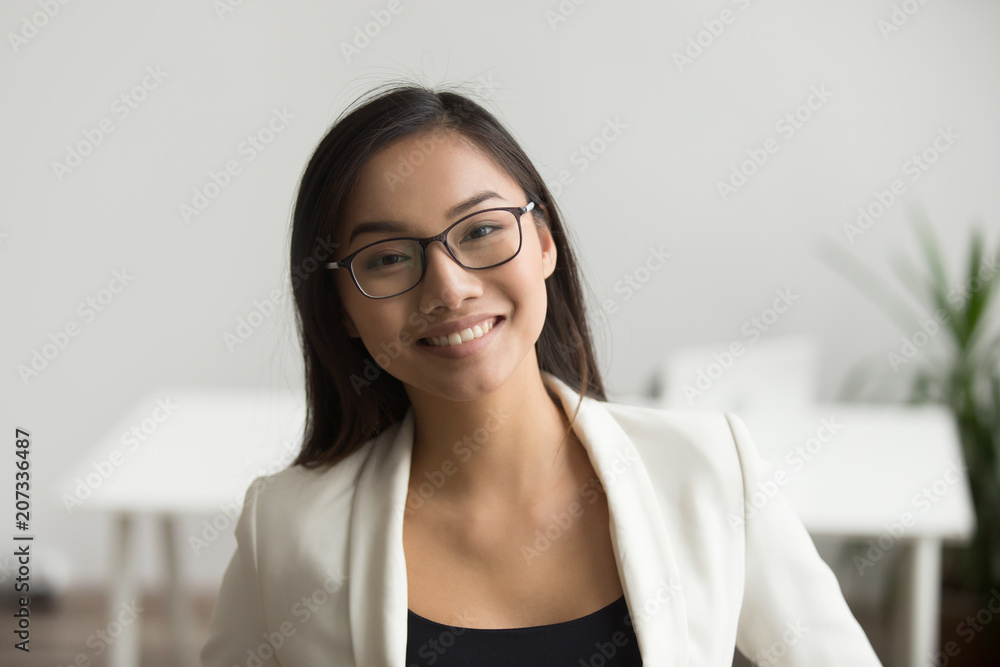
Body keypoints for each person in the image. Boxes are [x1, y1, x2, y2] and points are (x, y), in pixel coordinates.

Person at [200, 82, 883, 666]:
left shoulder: (708, 471)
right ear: (343, 308)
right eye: (386, 258)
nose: (449, 286)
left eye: (480, 230)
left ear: (546, 241)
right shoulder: (286, 528)